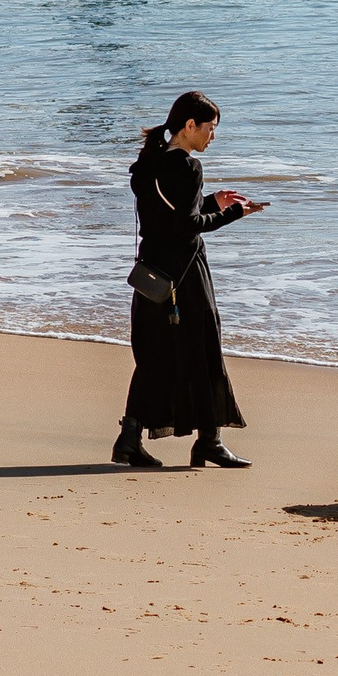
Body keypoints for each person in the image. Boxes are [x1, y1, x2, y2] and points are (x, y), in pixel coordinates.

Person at [114, 90, 267, 470]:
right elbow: (188, 226)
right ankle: (209, 443)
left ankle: (129, 439)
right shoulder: (188, 167)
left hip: (153, 273)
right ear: (189, 125)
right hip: (185, 275)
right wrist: (234, 214)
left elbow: (166, 217)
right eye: (210, 128)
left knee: (153, 356)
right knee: (204, 350)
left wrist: (211, 201)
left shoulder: (149, 163)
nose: (212, 136)